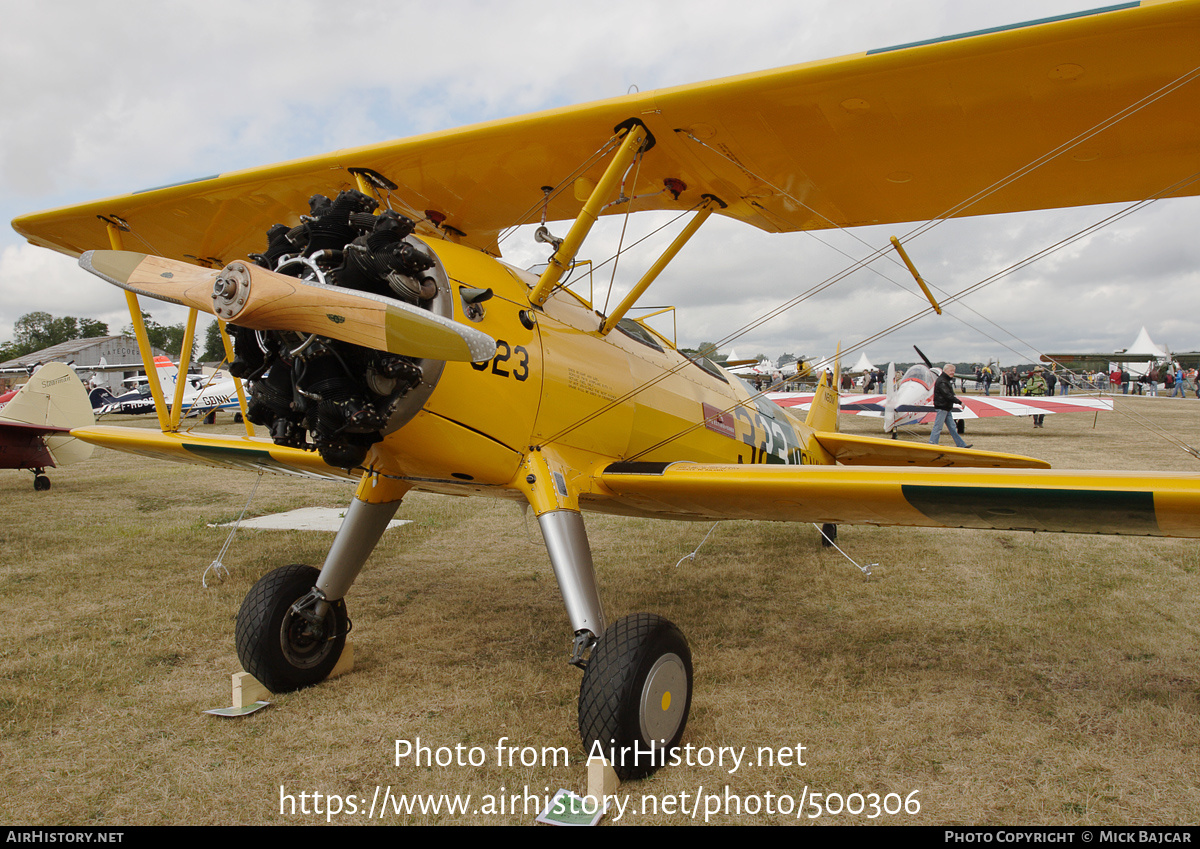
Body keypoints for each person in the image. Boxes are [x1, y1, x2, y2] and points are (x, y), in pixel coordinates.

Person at [929, 364, 971, 448]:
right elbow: (947, 395)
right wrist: (960, 402)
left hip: (946, 407)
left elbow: (949, 394)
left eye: (953, 371)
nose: (953, 373)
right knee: (938, 427)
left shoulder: (945, 380)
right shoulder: (942, 381)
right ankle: (932, 444)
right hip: (942, 407)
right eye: (951, 371)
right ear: (945, 371)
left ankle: (961, 445)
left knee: (952, 427)